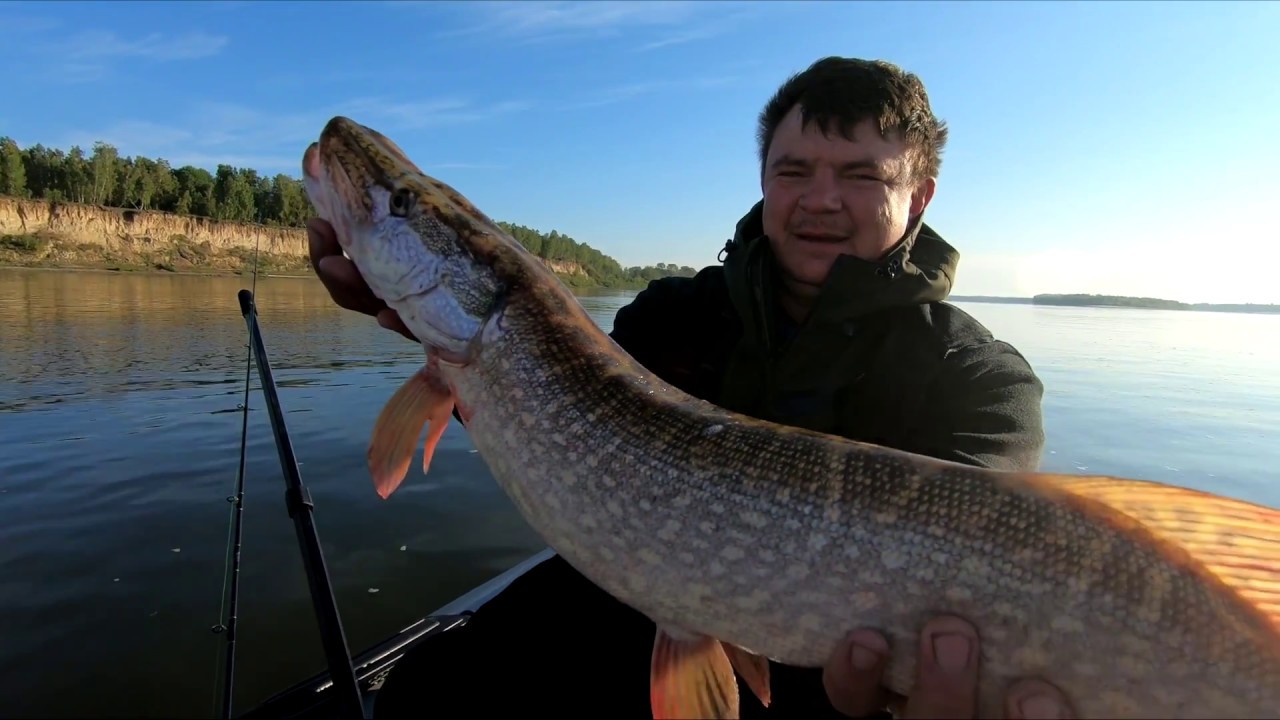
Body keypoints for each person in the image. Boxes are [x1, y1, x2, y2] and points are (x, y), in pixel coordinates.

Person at [308, 56, 1072, 719]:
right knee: (428, 694)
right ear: (764, 178)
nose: (820, 200)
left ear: (923, 196)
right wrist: (422, 331)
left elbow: (981, 581)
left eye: (861, 175)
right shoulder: (672, 313)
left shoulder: (981, 384)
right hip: (631, 600)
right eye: (794, 171)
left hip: (834, 679)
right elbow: (546, 430)